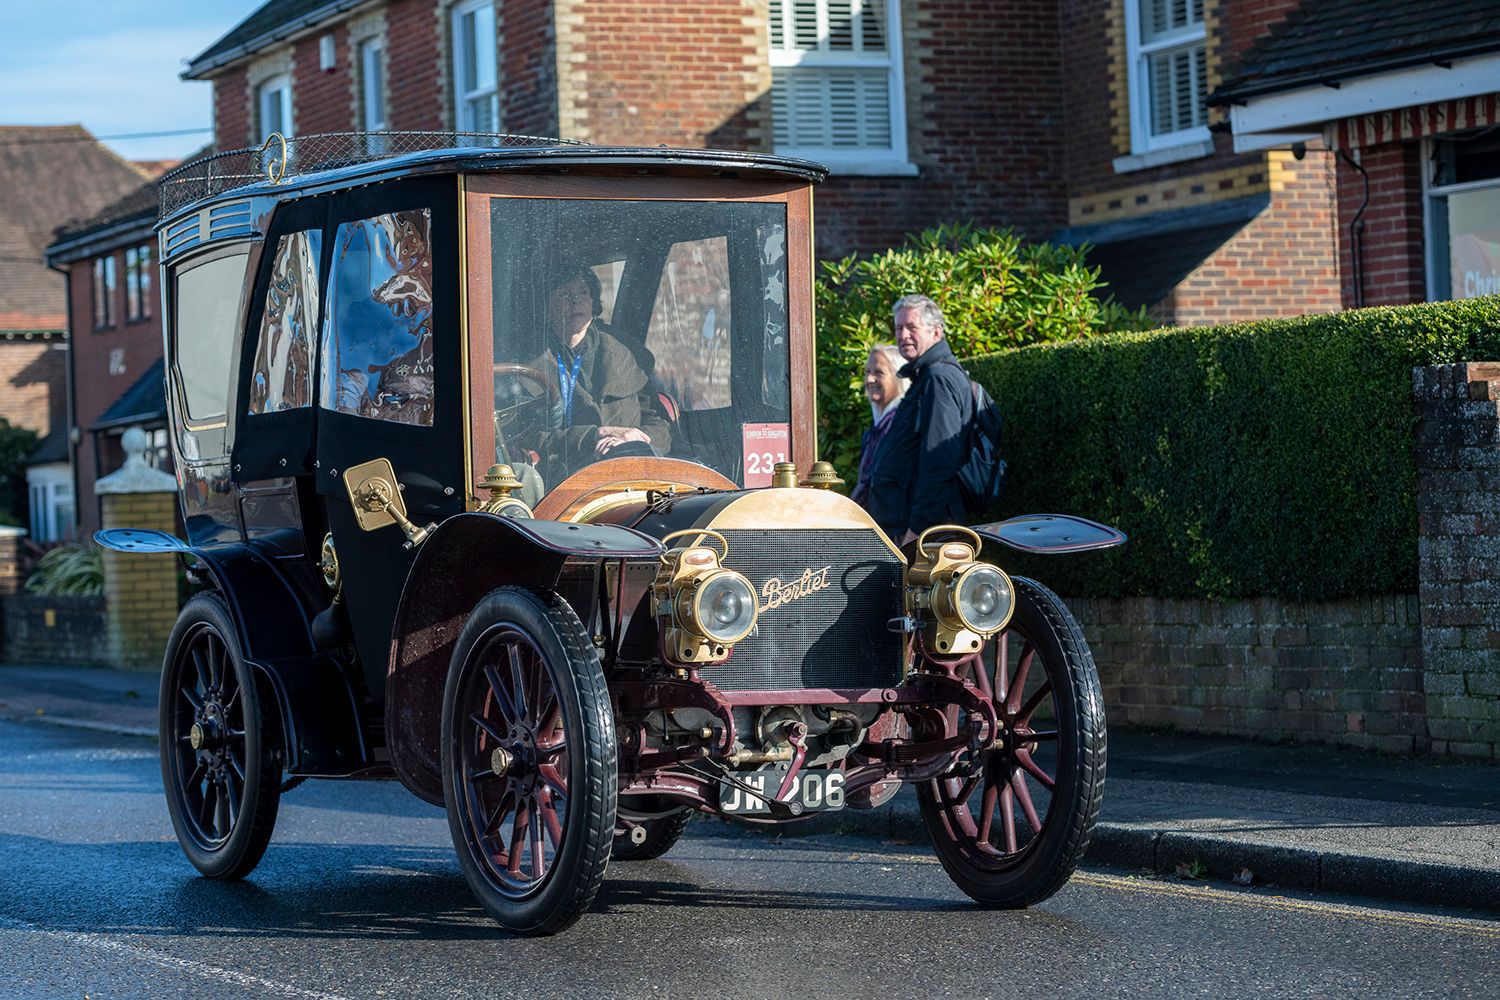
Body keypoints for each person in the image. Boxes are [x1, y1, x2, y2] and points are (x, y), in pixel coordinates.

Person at [525, 268, 671, 476]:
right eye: (564, 294)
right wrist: (595, 435)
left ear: (593, 304)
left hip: (634, 473)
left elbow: (659, 424)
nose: (576, 301)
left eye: (583, 292)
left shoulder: (628, 354)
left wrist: (631, 442)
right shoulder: (529, 365)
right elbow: (527, 436)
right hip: (565, 483)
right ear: (547, 307)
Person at [863, 294, 972, 545]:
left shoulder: (938, 378)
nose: (903, 335)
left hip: (924, 535)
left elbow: (939, 462)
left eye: (912, 327)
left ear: (936, 332)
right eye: (899, 327)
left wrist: (916, 533)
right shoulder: (925, 377)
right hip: (910, 528)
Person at [850, 344, 909, 508]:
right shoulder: (878, 426)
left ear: (899, 377)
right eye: (868, 372)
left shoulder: (899, 424)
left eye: (879, 372)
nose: (869, 379)